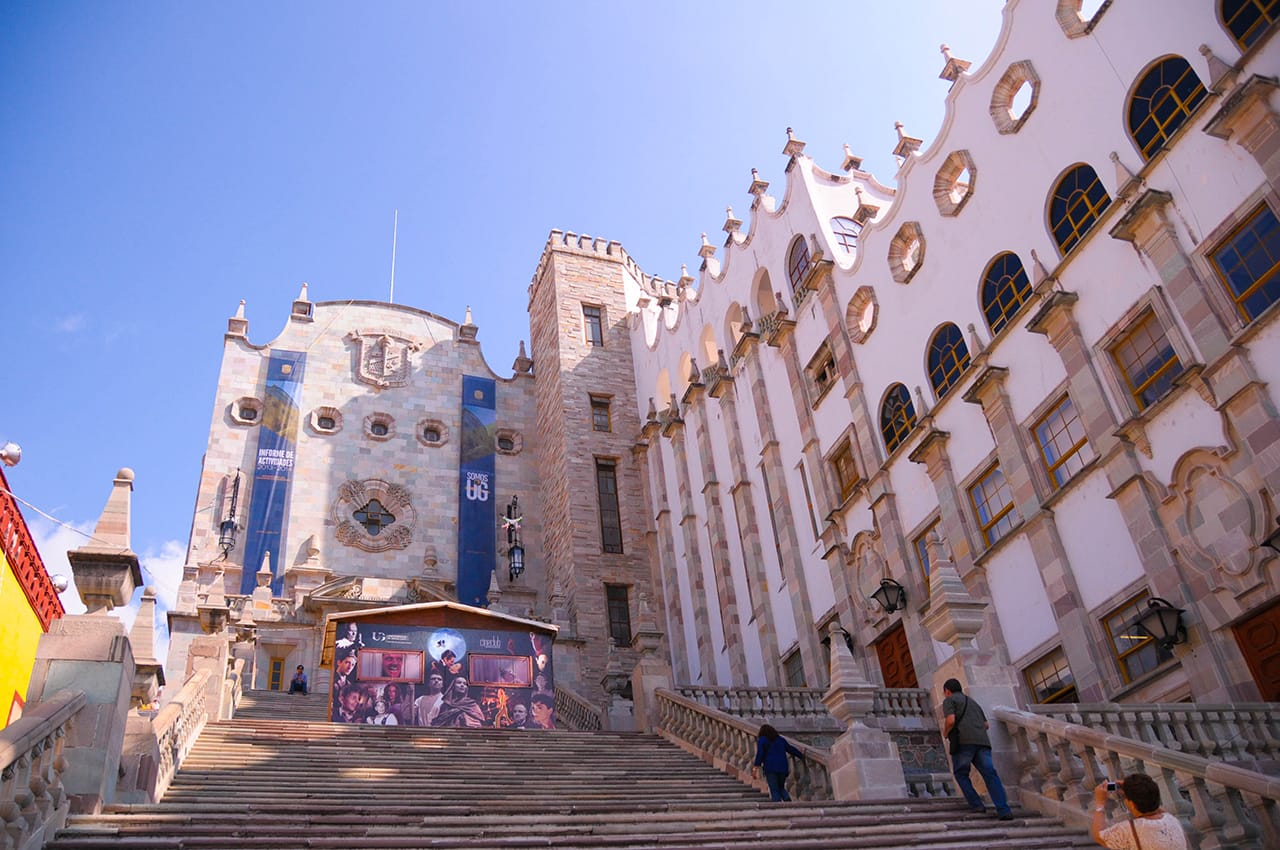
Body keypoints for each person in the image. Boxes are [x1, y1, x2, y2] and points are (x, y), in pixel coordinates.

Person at [942, 678, 1013, 820]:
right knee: (990, 774)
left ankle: (977, 805)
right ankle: (1003, 809)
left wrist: (946, 732)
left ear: (947, 691)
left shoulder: (949, 701)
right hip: (982, 742)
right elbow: (986, 725)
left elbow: (951, 720)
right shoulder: (973, 702)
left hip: (963, 742)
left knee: (961, 773)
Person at [1091, 773, 1189, 850]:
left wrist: (1100, 803)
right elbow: (1154, 806)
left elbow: (1099, 836)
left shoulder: (1130, 829)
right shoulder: (1171, 819)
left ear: (1132, 805)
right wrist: (1132, 788)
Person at [751, 723, 804, 802]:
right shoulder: (780, 739)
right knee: (781, 787)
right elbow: (790, 749)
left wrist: (756, 766)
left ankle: (777, 805)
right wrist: (801, 755)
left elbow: (760, 753)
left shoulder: (762, 740)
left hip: (771, 767)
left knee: (774, 789)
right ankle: (787, 799)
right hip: (783, 767)